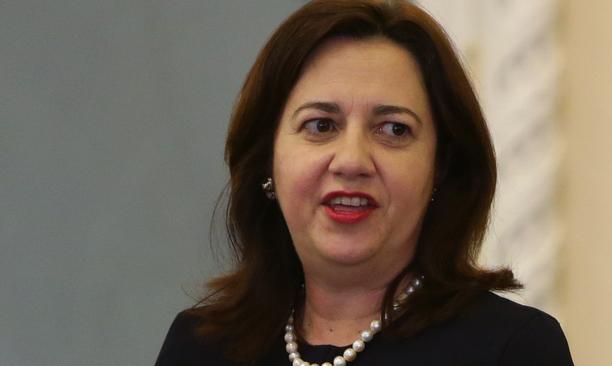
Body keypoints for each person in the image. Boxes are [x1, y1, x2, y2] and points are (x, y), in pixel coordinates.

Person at [155, 1, 573, 365]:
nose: (352, 161)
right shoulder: (201, 348)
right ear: (268, 159)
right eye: (321, 125)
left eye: (394, 130)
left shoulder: (513, 349)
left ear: (440, 167)